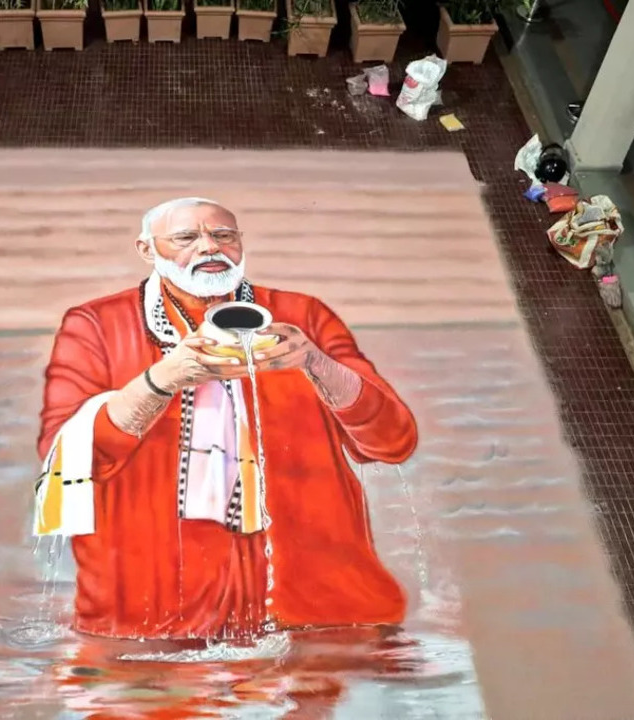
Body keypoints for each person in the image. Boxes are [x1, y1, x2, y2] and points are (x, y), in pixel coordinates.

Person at [34, 197, 418, 640]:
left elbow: (393, 441)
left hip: (318, 602)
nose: (208, 248)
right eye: (186, 237)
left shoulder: (302, 316)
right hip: (149, 607)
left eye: (223, 236)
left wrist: (315, 362)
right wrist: (163, 379)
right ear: (146, 250)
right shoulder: (96, 324)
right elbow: (70, 458)